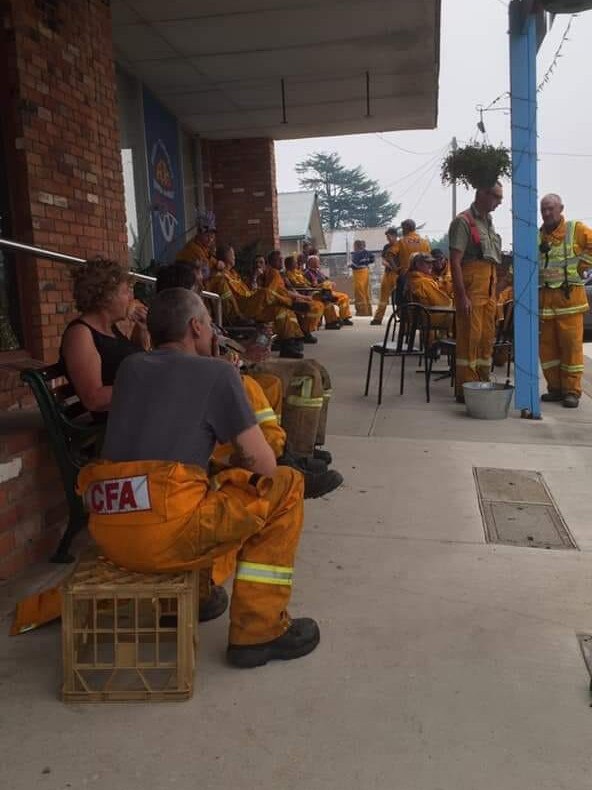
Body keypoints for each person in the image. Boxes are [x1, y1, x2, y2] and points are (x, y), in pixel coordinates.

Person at [77, 288, 320, 669]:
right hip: (163, 537)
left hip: (111, 531)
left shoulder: (131, 369)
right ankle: (258, 631)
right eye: (208, 323)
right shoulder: (218, 373)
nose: (211, 331)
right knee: (284, 486)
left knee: (202, 488)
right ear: (195, 327)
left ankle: (203, 595)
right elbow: (264, 465)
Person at [60, 258, 149, 420]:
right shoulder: (80, 334)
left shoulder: (110, 328)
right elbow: (93, 399)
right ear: (106, 297)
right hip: (115, 424)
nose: (131, 297)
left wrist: (141, 329)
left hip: (133, 413)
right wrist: (148, 388)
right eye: (125, 291)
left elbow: (134, 359)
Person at [448, 183, 504, 402]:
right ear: (482, 193)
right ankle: (466, 389)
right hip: (472, 290)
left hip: (489, 288)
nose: (499, 202)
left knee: (485, 338)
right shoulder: (463, 222)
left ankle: (481, 381)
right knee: (469, 339)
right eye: (496, 197)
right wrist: (461, 296)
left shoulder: (488, 222)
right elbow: (455, 261)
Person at [538, 193, 592, 408]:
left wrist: (583, 266)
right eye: (543, 209)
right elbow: (525, 261)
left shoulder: (575, 229)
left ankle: (571, 391)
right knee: (548, 350)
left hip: (570, 303)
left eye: (551, 208)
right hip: (547, 304)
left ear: (561, 208)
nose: (547, 213)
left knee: (571, 349)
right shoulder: (538, 236)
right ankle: (555, 388)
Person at [206, 244, 307, 359]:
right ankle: (291, 303)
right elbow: (229, 303)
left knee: (281, 310)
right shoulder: (220, 277)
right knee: (265, 293)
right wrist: (238, 316)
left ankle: (290, 344)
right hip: (241, 309)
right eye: (232, 255)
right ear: (224, 257)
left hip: (252, 305)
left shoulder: (234, 274)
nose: (234, 257)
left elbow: (248, 290)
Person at [263, 250, 324, 344]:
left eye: (281, 259)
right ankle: (304, 332)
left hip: (292, 297)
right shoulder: (274, 274)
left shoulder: (280, 274)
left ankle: (303, 332)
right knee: (314, 306)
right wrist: (302, 297)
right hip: (285, 301)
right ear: (271, 262)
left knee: (318, 304)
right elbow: (276, 293)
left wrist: (301, 296)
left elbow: (288, 289)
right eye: (278, 260)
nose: (281, 262)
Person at [407, 253, 453, 335]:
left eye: (431, 263)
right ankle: (447, 344)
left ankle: (442, 341)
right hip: (429, 317)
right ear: (417, 264)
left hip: (418, 317)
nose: (431, 266)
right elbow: (443, 303)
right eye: (427, 263)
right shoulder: (424, 282)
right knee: (458, 316)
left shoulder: (411, 278)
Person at [304, 255, 353, 328]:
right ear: (310, 263)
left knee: (344, 297)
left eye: (318, 261)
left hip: (327, 292)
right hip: (317, 292)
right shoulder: (307, 273)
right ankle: (332, 321)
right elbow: (310, 286)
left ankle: (344, 317)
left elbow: (327, 279)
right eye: (316, 261)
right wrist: (321, 284)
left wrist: (331, 283)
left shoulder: (318, 272)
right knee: (327, 301)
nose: (318, 263)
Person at [371, 227, 399, 325]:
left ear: (395, 236)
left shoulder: (400, 246)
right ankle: (377, 319)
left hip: (398, 275)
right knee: (383, 298)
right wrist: (388, 264)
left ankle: (402, 317)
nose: (388, 238)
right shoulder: (386, 247)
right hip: (388, 274)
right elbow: (383, 259)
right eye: (387, 237)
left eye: (389, 236)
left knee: (399, 297)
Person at [176, 210, 217, 276]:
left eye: (212, 237)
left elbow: (210, 260)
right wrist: (217, 266)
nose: (210, 239)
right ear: (199, 234)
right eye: (207, 236)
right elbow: (206, 272)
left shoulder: (204, 247)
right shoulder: (193, 248)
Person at [350, 239, 374, 316]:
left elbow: (355, 265)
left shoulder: (356, 254)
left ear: (356, 246)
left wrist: (350, 265)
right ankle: (369, 311)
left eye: (354, 246)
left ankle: (362, 311)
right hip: (366, 272)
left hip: (358, 273)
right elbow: (372, 260)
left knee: (359, 292)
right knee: (366, 292)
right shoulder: (368, 253)